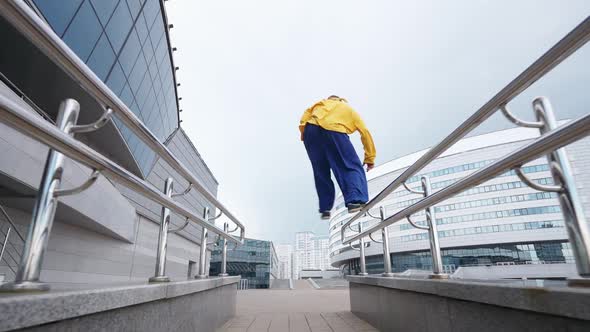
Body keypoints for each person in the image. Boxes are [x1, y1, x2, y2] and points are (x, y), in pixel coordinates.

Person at [299, 95, 376, 220]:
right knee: (349, 165)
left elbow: (303, 120)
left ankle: (325, 208)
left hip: (310, 131)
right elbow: (365, 132)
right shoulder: (345, 107)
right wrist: (369, 158)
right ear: (340, 100)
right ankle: (355, 201)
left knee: (321, 171)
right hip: (333, 129)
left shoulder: (319, 104)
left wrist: (310, 139)